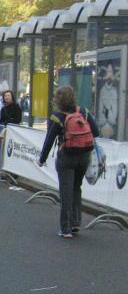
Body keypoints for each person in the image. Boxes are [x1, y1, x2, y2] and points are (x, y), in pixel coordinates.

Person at [38, 86, 99, 238]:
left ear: (58, 101)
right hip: (84, 156)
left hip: (66, 156)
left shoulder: (57, 116)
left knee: (66, 191)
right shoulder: (84, 112)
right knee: (76, 188)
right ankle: (76, 223)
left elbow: (49, 140)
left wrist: (42, 159)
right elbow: (96, 132)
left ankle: (65, 229)